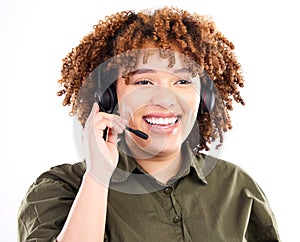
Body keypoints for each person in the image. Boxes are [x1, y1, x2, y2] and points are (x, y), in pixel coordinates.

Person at [17, 6, 280, 242]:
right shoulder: (61, 187)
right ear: (110, 97)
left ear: (203, 98)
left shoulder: (237, 186)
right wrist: (97, 177)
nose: (165, 99)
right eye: (143, 82)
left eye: (183, 81)